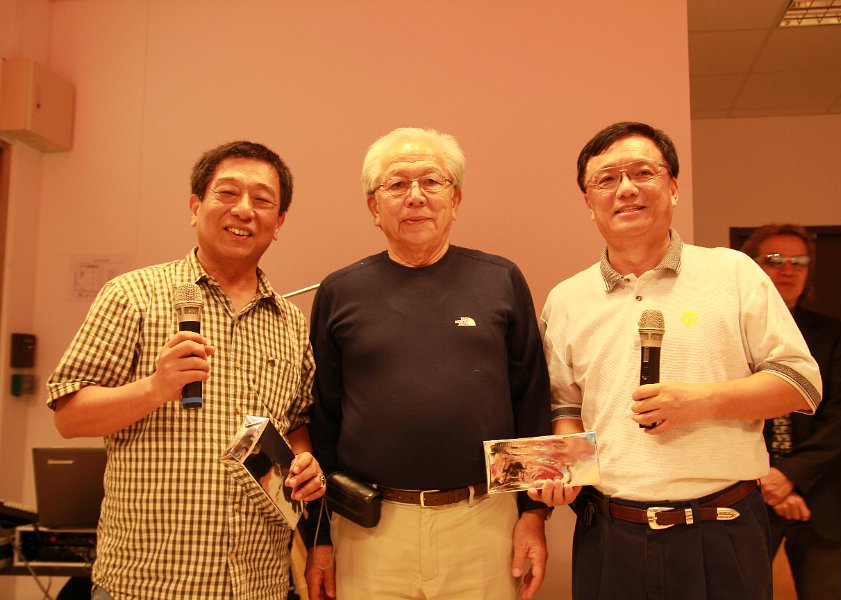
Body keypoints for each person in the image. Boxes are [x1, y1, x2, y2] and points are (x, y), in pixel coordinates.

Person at [530, 121, 823, 600]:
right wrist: (565, 470)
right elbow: (565, 406)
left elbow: (801, 383)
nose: (626, 189)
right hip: (610, 532)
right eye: (606, 179)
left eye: (642, 172)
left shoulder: (732, 272)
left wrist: (700, 402)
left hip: (721, 529)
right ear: (588, 201)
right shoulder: (566, 299)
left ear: (672, 187)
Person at [47, 141, 327, 599]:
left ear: (278, 224)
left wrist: (304, 462)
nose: (244, 210)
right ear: (195, 206)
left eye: (262, 200)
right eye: (227, 193)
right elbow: (69, 416)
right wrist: (155, 388)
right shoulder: (133, 296)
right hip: (146, 585)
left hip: (259, 584)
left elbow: (296, 423)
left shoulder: (291, 323)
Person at [303, 127, 552, 600]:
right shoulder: (340, 291)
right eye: (397, 184)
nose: (415, 196)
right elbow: (321, 421)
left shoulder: (500, 279)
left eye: (432, 182)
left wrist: (534, 514)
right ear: (373, 207)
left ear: (455, 199)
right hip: (369, 529)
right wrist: (318, 536)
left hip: (484, 522)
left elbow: (531, 401)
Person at [741, 224, 841, 600]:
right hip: (747, 495)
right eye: (775, 259)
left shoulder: (833, 334)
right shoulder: (729, 334)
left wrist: (789, 475)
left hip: (821, 499)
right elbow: (726, 412)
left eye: (799, 261)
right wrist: (768, 482)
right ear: (751, 267)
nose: (788, 269)